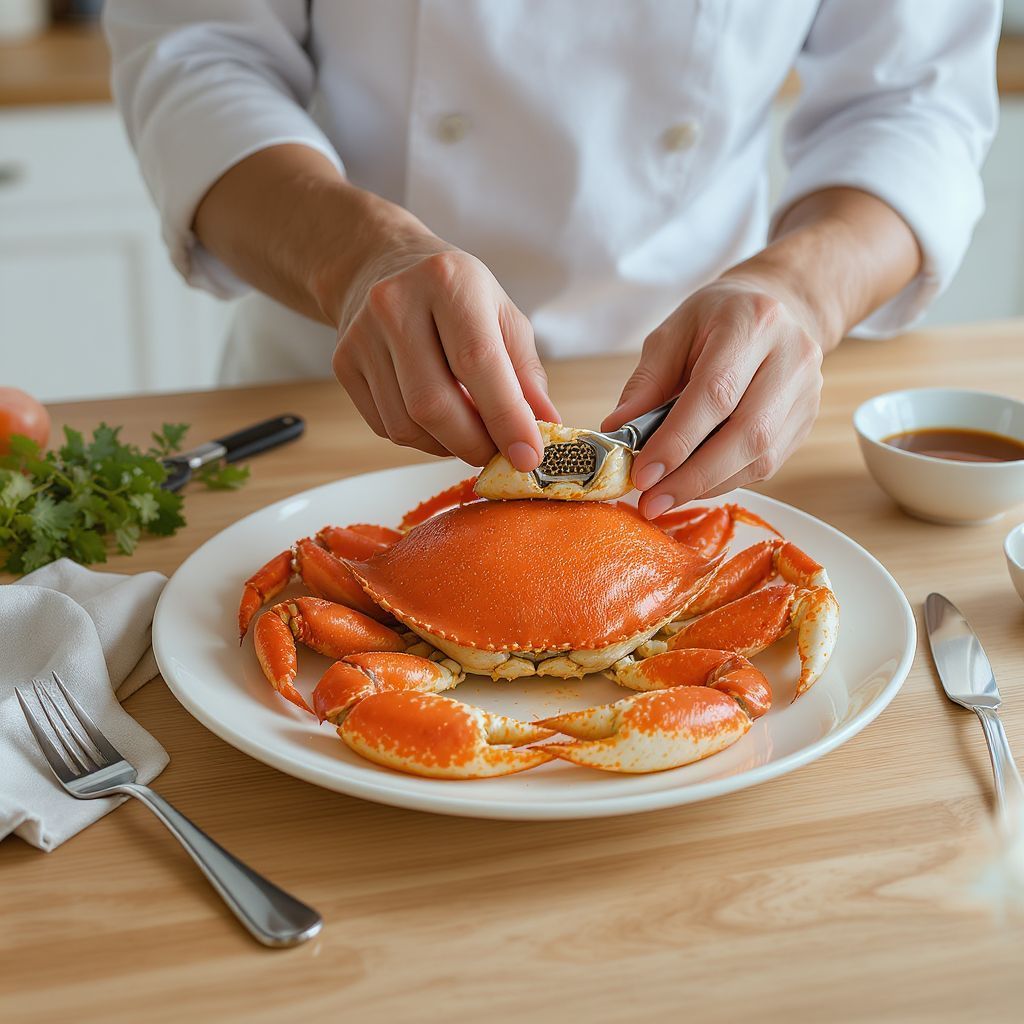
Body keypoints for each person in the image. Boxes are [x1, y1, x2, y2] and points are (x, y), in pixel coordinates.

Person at [104, 1, 998, 519]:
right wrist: (356, 257)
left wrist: (801, 291)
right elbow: (197, 58)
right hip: (344, 392)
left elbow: (915, 105)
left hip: (697, 408)